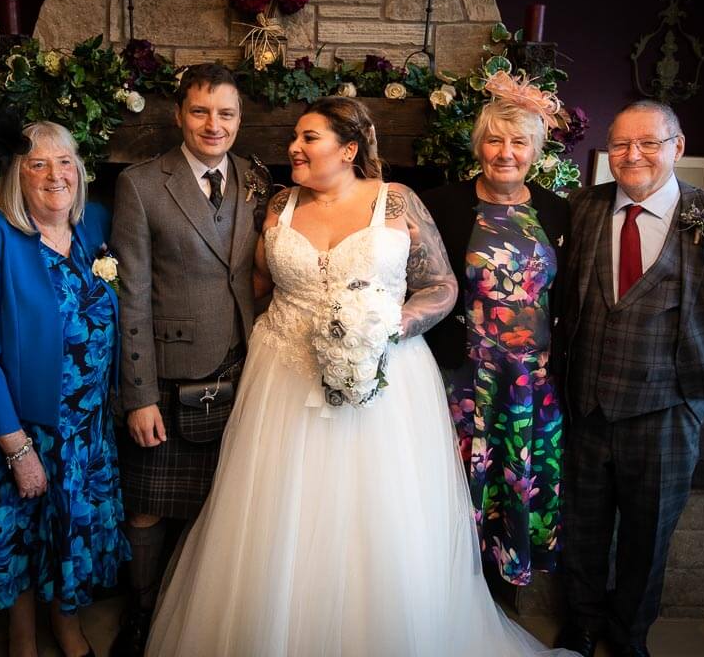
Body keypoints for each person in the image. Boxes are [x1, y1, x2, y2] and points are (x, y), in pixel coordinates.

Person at [147, 96, 573, 656]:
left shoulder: (396, 201)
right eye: (294, 138)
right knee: (281, 513)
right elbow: (255, 287)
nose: (293, 148)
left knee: (377, 513)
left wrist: (388, 327)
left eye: (308, 138)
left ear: (348, 149)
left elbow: (442, 287)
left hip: (384, 378)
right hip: (283, 377)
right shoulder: (279, 204)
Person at [557, 100, 704, 657]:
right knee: (582, 526)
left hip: (667, 412)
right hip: (586, 405)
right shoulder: (582, 207)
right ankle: (582, 623)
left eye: (648, 143)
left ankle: (628, 634)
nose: (632, 155)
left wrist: (700, 364)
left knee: (648, 535)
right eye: (620, 144)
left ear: (676, 147)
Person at [0, 121, 129, 657]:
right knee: (26, 535)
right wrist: (17, 448)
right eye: (38, 164)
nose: (56, 175)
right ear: (17, 175)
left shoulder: (94, 225)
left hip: (89, 428)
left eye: (64, 162)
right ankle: (23, 637)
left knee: (72, 531)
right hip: (27, 429)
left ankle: (67, 622)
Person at [109, 63, 260, 656]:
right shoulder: (142, 184)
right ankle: (142, 613)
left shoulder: (255, 177)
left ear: (239, 118)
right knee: (147, 507)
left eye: (225, 113)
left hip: (243, 370)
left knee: (220, 507)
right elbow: (132, 296)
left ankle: (199, 617)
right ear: (179, 116)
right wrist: (139, 396)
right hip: (169, 378)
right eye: (200, 111)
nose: (213, 124)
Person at [421, 73, 570, 586]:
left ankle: (502, 582)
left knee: (518, 477)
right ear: (478, 146)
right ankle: (448, 582)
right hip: (463, 378)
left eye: (519, 142)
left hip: (532, 383)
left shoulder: (557, 210)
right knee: (455, 479)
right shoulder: (440, 205)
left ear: (536, 151)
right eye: (494, 140)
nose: (506, 153)